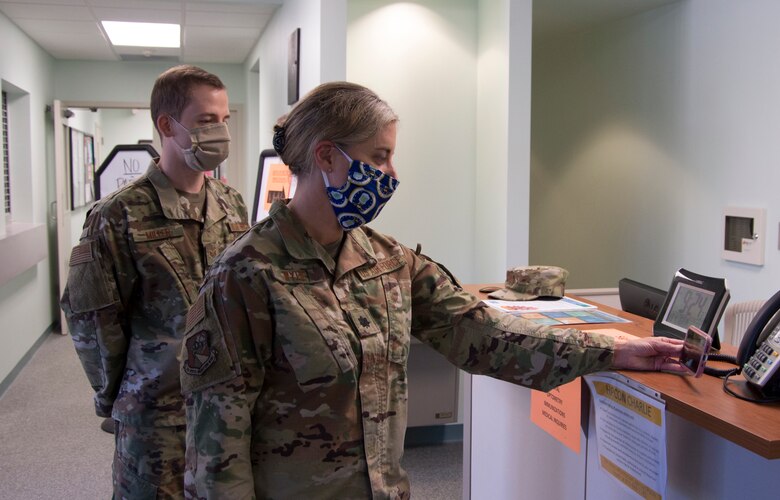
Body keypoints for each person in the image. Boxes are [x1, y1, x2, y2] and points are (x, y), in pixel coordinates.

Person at [179, 81, 684, 499]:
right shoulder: (245, 274)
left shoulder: (390, 261)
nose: (391, 175)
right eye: (379, 156)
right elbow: (216, 446)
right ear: (327, 158)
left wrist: (615, 350)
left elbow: (483, 332)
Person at [60, 65, 249, 498]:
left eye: (224, 120)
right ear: (168, 125)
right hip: (154, 414)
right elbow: (93, 321)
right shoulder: (118, 214)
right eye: (206, 121)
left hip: (226, 411)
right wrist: (117, 398)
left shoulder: (231, 203)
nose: (220, 131)